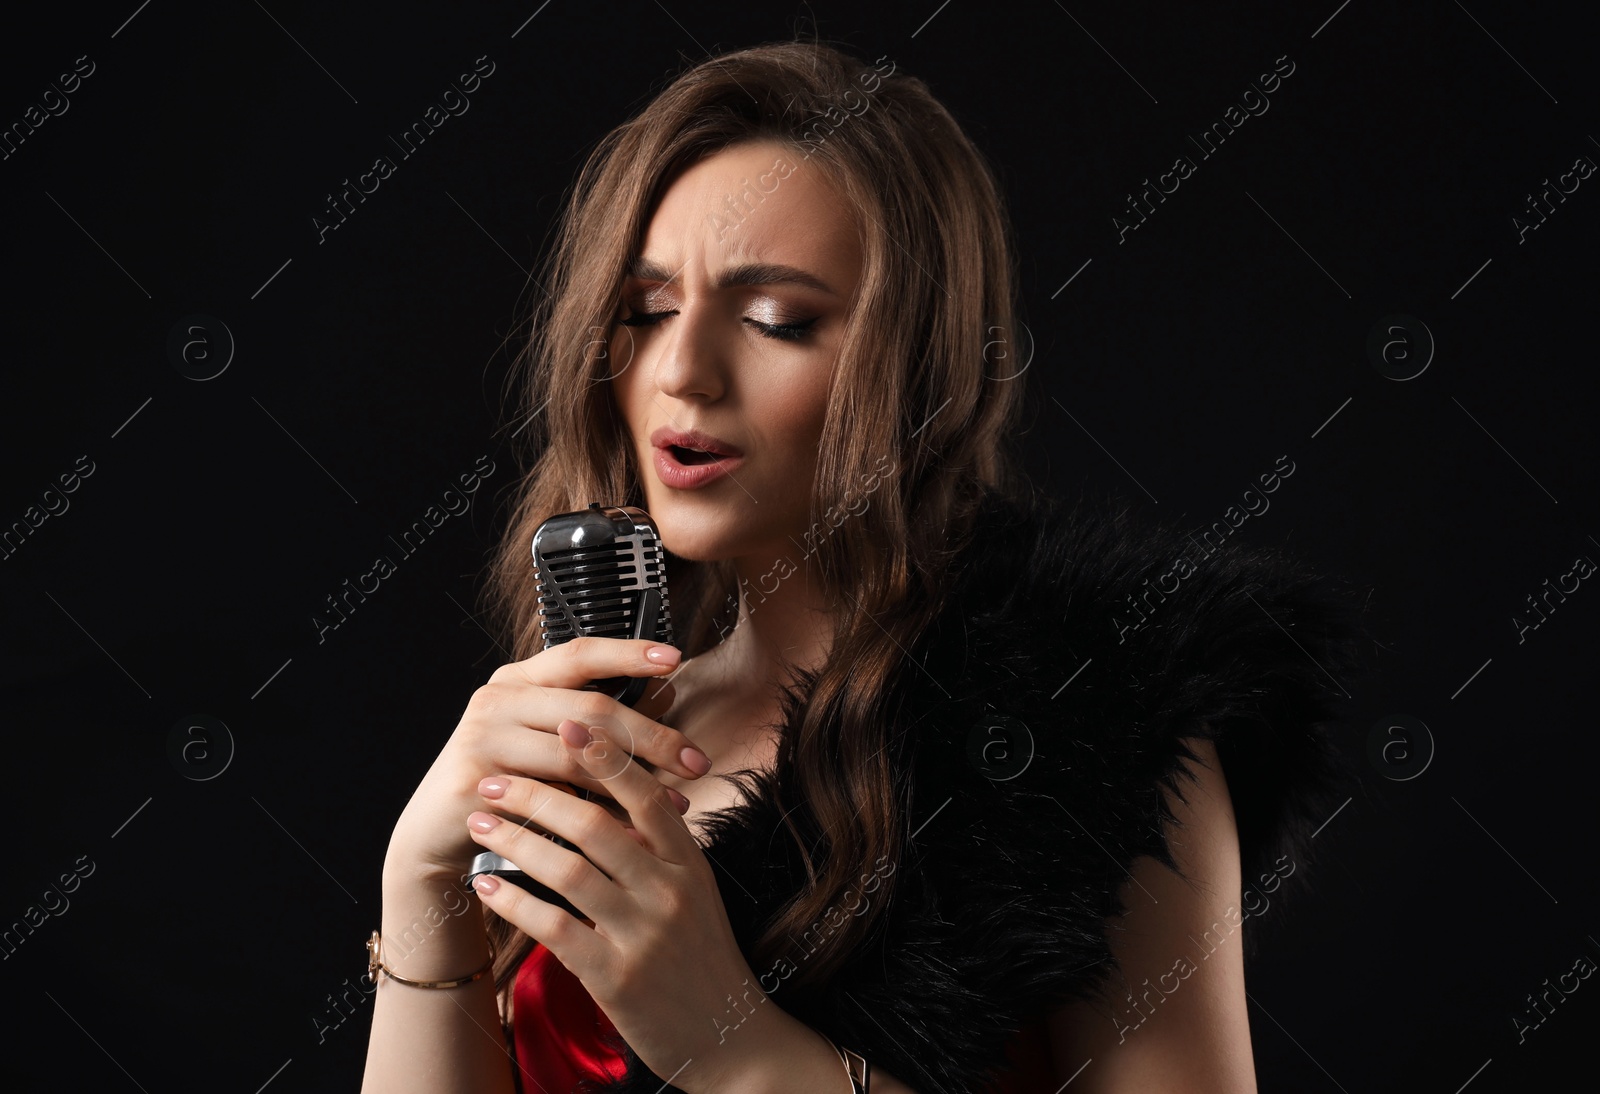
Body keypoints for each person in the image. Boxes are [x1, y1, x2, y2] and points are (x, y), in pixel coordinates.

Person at [361, 38, 1373, 1094]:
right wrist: (420, 900)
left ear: (918, 362)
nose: (682, 370)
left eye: (776, 321)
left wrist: (741, 1051)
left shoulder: (1093, 726)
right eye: (646, 309)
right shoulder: (619, 730)